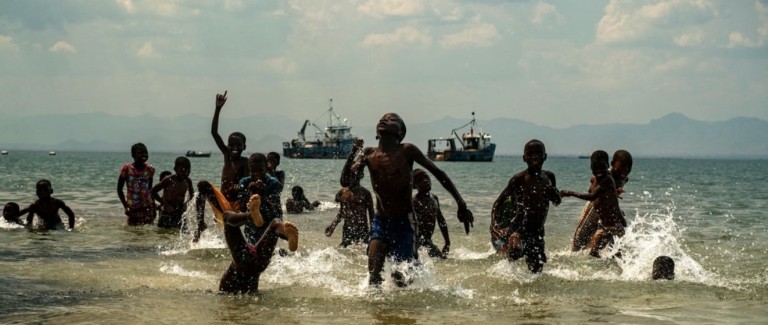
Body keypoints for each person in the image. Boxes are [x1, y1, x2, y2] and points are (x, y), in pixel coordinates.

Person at [340, 112, 473, 287]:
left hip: (405, 223)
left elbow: (439, 174)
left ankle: (406, 308)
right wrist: (352, 155)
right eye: (382, 119)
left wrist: (461, 204)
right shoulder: (368, 154)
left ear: (400, 133)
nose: (384, 120)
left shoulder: (406, 150)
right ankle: (377, 313)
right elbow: (345, 182)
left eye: (392, 120)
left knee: (401, 278)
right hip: (380, 222)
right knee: (373, 276)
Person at [197, 182, 298, 294]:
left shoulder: (225, 288)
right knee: (275, 223)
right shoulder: (270, 206)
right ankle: (287, 236)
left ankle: (250, 216)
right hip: (258, 265)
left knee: (226, 217)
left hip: (242, 265)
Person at [490, 139, 561, 273]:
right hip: (519, 228)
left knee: (536, 270)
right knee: (513, 260)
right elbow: (498, 202)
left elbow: (556, 202)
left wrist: (555, 195)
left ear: (545, 156)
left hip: (537, 231)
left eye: (538, 153)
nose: (534, 156)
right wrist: (493, 223)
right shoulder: (519, 179)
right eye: (530, 154)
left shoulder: (549, 177)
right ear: (524, 158)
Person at [195, 91, 250, 237]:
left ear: (244, 146)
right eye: (231, 145)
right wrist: (218, 109)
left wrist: (239, 186)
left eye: (238, 145)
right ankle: (200, 223)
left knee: (232, 233)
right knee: (202, 185)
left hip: (237, 206)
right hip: (222, 201)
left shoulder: (245, 162)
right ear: (227, 146)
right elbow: (214, 132)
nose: (234, 148)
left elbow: (247, 183)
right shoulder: (227, 156)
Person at [561, 150, 625, 257]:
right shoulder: (596, 179)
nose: (599, 170)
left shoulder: (607, 179)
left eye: (602, 167)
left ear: (608, 165)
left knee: (619, 248)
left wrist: (570, 193)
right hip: (604, 221)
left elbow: (592, 196)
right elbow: (591, 192)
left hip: (612, 222)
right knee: (582, 246)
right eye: (596, 167)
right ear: (591, 166)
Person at [238, 153, 283, 245]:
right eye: (253, 171)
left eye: (261, 170)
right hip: (252, 223)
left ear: (266, 168)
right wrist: (250, 193)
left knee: (267, 248)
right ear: (249, 169)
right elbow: (242, 208)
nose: (257, 174)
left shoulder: (273, 183)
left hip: (270, 220)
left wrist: (262, 195)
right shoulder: (244, 182)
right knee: (253, 247)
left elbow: (276, 209)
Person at [325, 170, 373, 247]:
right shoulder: (343, 192)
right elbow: (342, 212)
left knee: (362, 251)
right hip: (347, 228)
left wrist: (373, 231)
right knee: (345, 249)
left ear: (361, 175)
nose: (352, 177)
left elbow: (371, 214)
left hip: (362, 229)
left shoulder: (365, 193)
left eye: (354, 175)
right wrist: (333, 225)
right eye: (350, 175)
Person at [412, 169, 450, 259]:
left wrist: (447, 242)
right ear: (414, 186)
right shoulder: (414, 202)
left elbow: (441, 221)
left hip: (428, 241)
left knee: (442, 260)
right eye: (420, 180)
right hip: (416, 242)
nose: (425, 181)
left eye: (426, 177)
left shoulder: (434, 198)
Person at [117, 143, 156, 226]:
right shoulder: (127, 168)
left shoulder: (150, 169)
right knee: (133, 234)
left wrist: (154, 206)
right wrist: (125, 206)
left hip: (147, 207)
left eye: (146, 153)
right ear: (133, 155)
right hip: (132, 208)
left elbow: (150, 190)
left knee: (148, 234)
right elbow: (119, 189)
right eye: (140, 153)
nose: (144, 155)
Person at [151, 157, 194, 230]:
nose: (185, 173)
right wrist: (165, 204)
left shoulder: (188, 181)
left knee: (184, 233)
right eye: (183, 170)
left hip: (180, 212)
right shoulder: (169, 179)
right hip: (166, 212)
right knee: (164, 235)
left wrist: (186, 204)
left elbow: (192, 195)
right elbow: (152, 192)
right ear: (175, 169)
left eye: (188, 170)